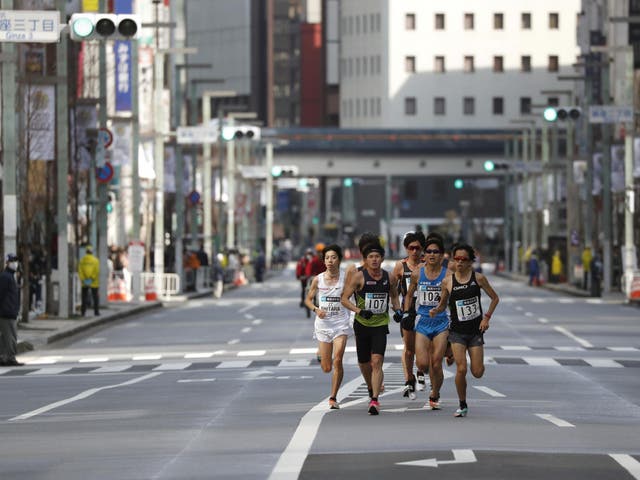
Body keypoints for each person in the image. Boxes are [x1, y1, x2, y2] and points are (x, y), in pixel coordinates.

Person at [429, 243, 499, 418]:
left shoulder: (479, 279)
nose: (459, 262)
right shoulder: (448, 281)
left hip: (475, 332)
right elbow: (443, 303)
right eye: (456, 259)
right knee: (461, 369)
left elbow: (495, 298)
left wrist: (486, 318)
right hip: (457, 333)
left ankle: (455, 356)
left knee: (477, 372)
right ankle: (462, 404)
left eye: (463, 259)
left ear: (470, 262)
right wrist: (436, 310)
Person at [341, 242, 401, 415]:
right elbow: (344, 299)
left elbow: (395, 297)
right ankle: (370, 387)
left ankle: (374, 400)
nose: (374, 260)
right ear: (366, 260)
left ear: (382, 258)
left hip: (380, 325)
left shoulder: (389, 277)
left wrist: (398, 311)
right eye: (371, 257)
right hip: (362, 324)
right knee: (364, 362)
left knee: (377, 361)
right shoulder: (359, 277)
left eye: (377, 257)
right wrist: (360, 311)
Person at [305, 244, 353, 410]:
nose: (330, 261)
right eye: (327, 258)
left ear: (339, 259)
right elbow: (308, 300)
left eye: (333, 257)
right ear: (323, 261)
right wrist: (316, 309)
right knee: (326, 368)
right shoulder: (318, 279)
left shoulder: (346, 278)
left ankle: (333, 397)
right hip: (323, 325)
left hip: (341, 324)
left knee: (338, 359)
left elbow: (355, 293)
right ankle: (321, 353)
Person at [405, 235, 450, 410]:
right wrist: (408, 313)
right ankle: (423, 376)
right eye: (429, 251)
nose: (431, 254)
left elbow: (454, 298)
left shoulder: (448, 275)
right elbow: (409, 294)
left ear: (442, 255)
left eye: (435, 252)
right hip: (422, 321)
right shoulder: (417, 273)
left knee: (437, 362)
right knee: (423, 363)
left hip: (441, 323)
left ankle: (435, 393)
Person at [391, 230, 426, 400]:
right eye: (411, 248)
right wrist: (397, 308)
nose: (414, 251)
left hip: (426, 310)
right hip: (408, 310)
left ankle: (420, 370)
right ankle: (408, 379)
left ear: (422, 249)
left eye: (418, 248)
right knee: (409, 348)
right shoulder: (400, 266)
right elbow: (392, 289)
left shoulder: (428, 265)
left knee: (424, 347)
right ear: (406, 249)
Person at [0, 254, 24, 367]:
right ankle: (9, 358)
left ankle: (4, 358)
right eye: (12, 261)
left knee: (6, 337)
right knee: (10, 336)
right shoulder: (5, 277)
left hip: (10, 311)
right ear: (7, 262)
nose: (15, 263)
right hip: (7, 312)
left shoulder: (9, 276)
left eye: (16, 260)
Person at [78, 245, 100, 317]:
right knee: (95, 297)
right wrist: (91, 278)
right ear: (92, 252)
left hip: (84, 282)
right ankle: (96, 312)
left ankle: (83, 312)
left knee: (84, 297)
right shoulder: (95, 260)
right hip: (94, 282)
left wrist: (83, 279)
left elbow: (80, 270)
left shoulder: (82, 260)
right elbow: (96, 271)